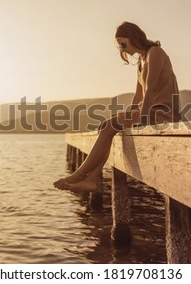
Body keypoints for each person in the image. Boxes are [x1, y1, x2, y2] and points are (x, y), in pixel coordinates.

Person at [54, 21, 180, 193]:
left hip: (162, 113)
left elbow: (150, 89)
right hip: (148, 111)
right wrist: (127, 116)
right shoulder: (141, 62)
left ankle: (79, 175)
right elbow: (138, 96)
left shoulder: (155, 53)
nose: (122, 49)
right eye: (119, 45)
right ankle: (92, 178)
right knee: (108, 126)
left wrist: (140, 121)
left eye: (123, 43)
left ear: (134, 37)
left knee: (110, 125)